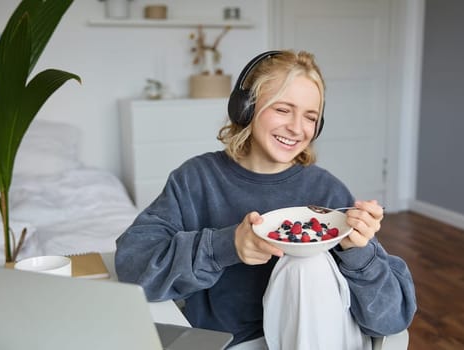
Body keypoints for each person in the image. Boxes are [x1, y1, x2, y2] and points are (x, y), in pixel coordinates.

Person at [115, 50, 416, 349]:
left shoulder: (327, 193)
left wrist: (358, 253)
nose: (297, 128)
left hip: (319, 337)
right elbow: (133, 265)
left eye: (310, 117)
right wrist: (226, 245)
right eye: (283, 110)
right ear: (245, 108)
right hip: (230, 343)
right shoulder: (196, 180)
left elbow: (392, 319)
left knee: (306, 266)